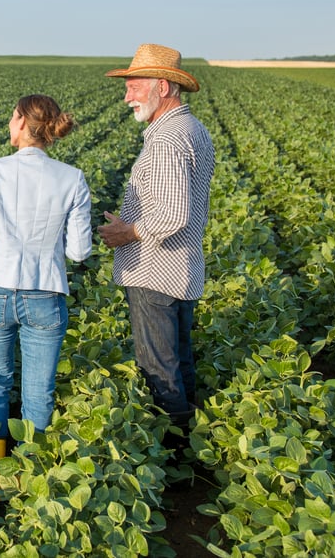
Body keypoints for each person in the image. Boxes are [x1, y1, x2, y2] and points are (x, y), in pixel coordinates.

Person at [0, 94, 92, 501]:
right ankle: (31, 486)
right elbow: (79, 252)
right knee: (39, 391)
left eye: (11, 117)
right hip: (46, 292)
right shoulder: (72, 178)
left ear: (20, 122)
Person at [97, 43, 215, 432]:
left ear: (162, 87)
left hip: (155, 272)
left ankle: (173, 448)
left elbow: (171, 214)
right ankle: (190, 441)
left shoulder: (166, 139)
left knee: (158, 369)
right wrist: (132, 219)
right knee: (179, 361)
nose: (127, 96)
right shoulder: (192, 128)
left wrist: (127, 231)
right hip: (182, 268)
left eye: (134, 87)